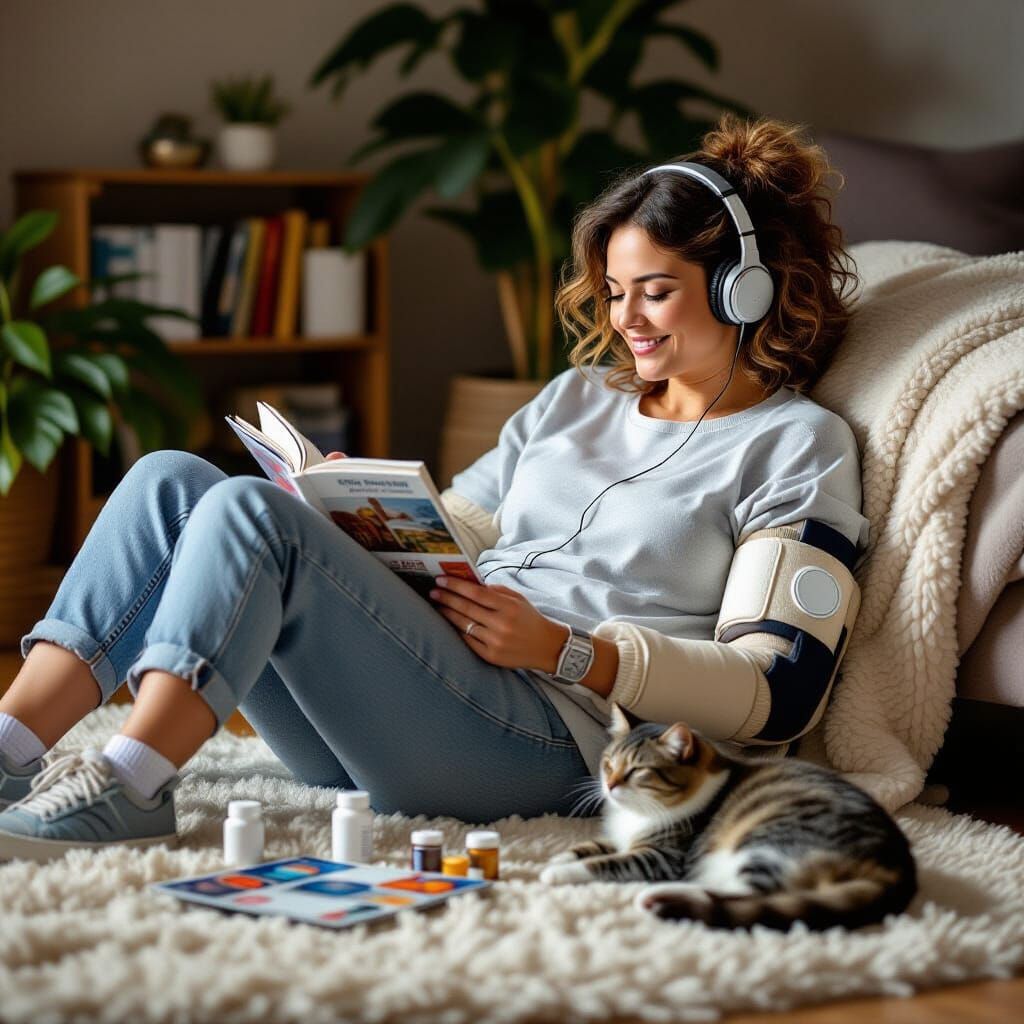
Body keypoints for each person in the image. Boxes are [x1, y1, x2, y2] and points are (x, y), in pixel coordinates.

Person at [0, 114, 869, 862]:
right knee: (171, 480)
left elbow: (775, 693)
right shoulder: (575, 398)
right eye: (612, 292)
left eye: (655, 293)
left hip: (551, 740)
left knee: (244, 515)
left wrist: (571, 651)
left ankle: (132, 785)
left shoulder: (797, 444)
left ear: (741, 289)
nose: (624, 321)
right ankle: (11, 746)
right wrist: (344, 511)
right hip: (409, 705)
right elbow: (463, 522)